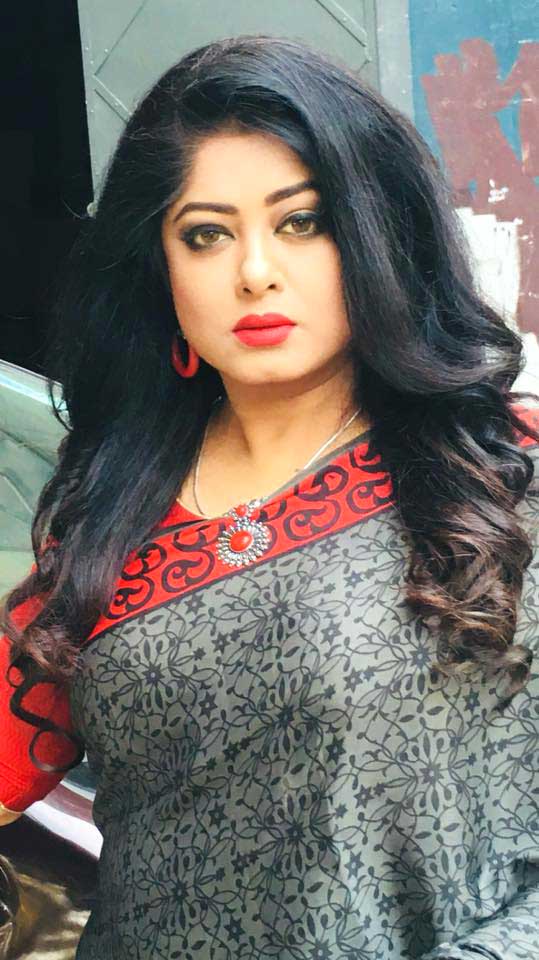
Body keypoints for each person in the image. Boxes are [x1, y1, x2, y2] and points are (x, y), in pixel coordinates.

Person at [1, 34, 538, 960]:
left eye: (302, 222)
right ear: (160, 267)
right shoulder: (108, 514)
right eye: (205, 234)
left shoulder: (495, 472)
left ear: (377, 233)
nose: (254, 271)